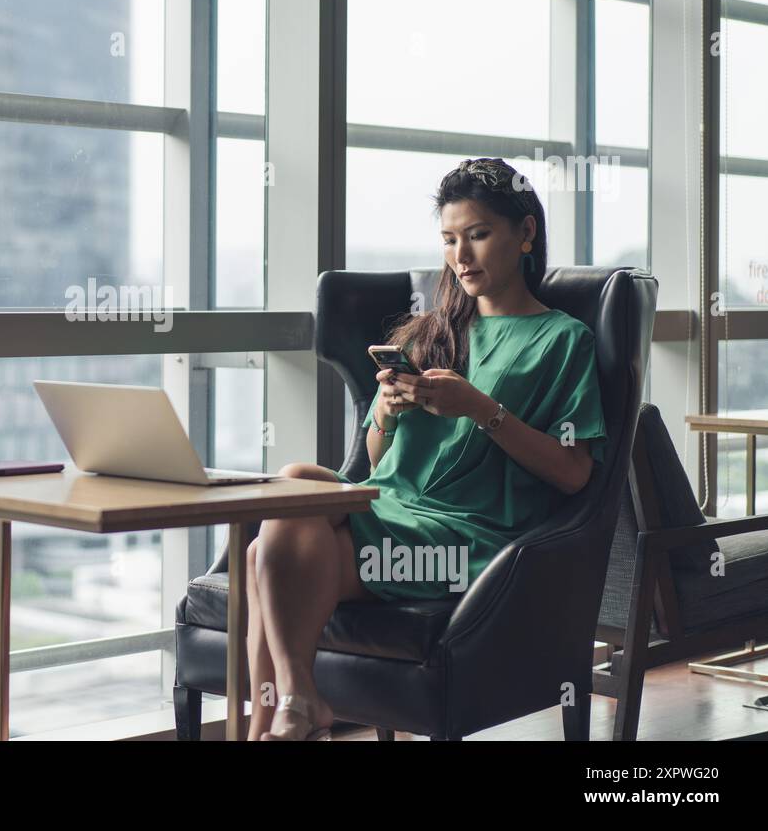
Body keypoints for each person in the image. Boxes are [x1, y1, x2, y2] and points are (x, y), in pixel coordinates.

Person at [247, 157, 608, 741]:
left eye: (478, 235)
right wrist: (386, 413)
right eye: (449, 240)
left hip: (467, 534)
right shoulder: (426, 332)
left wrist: (479, 409)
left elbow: (573, 474)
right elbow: (376, 458)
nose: (460, 257)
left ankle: (288, 710)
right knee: (295, 485)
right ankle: (295, 703)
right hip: (388, 506)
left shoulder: (564, 340)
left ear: (526, 234)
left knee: (266, 555)